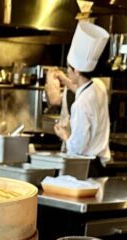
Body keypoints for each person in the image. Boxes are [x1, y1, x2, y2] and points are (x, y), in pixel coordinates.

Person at [50, 21, 111, 174]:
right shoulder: (99, 86)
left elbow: (77, 148)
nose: (67, 71)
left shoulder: (80, 105)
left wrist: (64, 135)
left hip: (86, 167)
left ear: (76, 71)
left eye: (68, 68)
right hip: (100, 164)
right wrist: (64, 79)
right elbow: (80, 89)